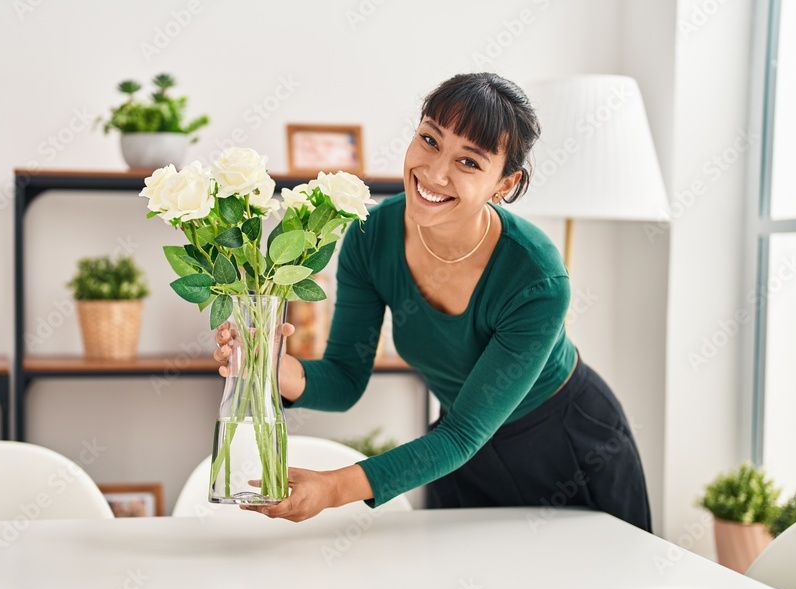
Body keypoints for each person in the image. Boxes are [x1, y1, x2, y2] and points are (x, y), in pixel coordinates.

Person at [214, 72, 652, 532]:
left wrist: (333, 488)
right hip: (460, 456)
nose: (435, 171)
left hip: (566, 448)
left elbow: (463, 433)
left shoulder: (537, 278)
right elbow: (345, 378)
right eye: (429, 139)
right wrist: (274, 367)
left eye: (469, 162)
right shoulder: (371, 235)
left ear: (505, 184)